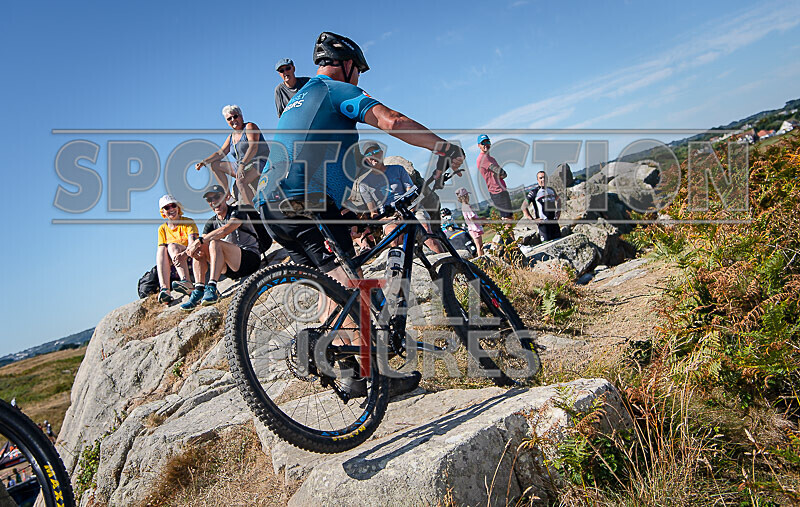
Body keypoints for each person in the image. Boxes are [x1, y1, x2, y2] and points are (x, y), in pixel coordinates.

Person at [255, 32, 464, 397]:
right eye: (359, 72)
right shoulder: (334, 90)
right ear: (347, 65)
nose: (359, 80)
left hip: (271, 208)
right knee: (351, 285)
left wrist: (349, 211)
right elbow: (392, 121)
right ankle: (370, 373)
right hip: (304, 201)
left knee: (334, 289)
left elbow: (326, 160)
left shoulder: (299, 101)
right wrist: (444, 147)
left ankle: (352, 372)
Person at [181, 185, 262, 311]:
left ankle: (212, 286)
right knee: (199, 250)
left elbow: (226, 230)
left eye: (217, 197)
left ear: (226, 197)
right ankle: (199, 289)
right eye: (210, 200)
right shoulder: (211, 222)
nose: (214, 202)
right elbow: (201, 245)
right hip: (230, 267)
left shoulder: (237, 211)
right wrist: (189, 251)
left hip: (249, 259)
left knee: (214, 243)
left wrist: (199, 241)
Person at [358, 143, 445, 253]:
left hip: (410, 208)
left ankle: (449, 263)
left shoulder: (398, 169)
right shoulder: (364, 184)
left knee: (425, 230)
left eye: (375, 152)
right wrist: (392, 218)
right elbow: (374, 214)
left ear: (381, 153)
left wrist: (409, 211)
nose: (373, 156)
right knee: (393, 237)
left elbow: (411, 192)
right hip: (390, 217)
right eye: (369, 154)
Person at [195, 105, 269, 206]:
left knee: (240, 182)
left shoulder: (250, 127)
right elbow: (220, 154)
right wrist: (204, 162)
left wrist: (242, 165)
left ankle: (253, 212)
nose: (233, 120)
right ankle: (228, 196)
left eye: (235, 116)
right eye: (229, 118)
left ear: (241, 116)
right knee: (215, 165)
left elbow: (253, 147)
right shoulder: (231, 137)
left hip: (259, 162)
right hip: (242, 165)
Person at [155, 195, 198, 304]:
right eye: (167, 208)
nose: (171, 209)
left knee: (172, 246)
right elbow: (162, 254)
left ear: (178, 207)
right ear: (163, 212)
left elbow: (193, 244)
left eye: (173, 205)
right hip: (173, 264)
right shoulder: (162, 229)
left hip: (190, 258)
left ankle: (187, 282)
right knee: (162, 250)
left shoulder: (188, 222)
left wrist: (182, 254)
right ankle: (165, 289)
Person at [476, 134, 513, 220]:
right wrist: (500, 173)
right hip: (496, 191)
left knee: (508, 217)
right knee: (508, 218)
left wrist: (501, 173)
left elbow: (504, 174)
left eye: (487, 142)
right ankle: (507, 233)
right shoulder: (482, 158)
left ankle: (510, 233)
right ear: (479, 146)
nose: (486, 145)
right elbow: (501, 172)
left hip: (501, 188)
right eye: (483, 143)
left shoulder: (491, 158)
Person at [522, 170, 562, 242]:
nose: (543, 180)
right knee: (547, 245)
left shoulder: (551, 190)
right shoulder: (534, 192)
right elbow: (523, 207)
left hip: (554, 223)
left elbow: (559, 200)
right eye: (540, 178)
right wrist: (533, 220)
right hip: (543, 225)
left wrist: (558, 212)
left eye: (544, 178)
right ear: (537, 180)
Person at [455, 188, 485, 256]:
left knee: (479, 246)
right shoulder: (467, 207)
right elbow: (472, 218)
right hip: (474, 228)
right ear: (465, 196)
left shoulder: (464, 207)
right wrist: (482, 220)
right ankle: (482, 259)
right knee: (480, 246)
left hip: (472, 228)